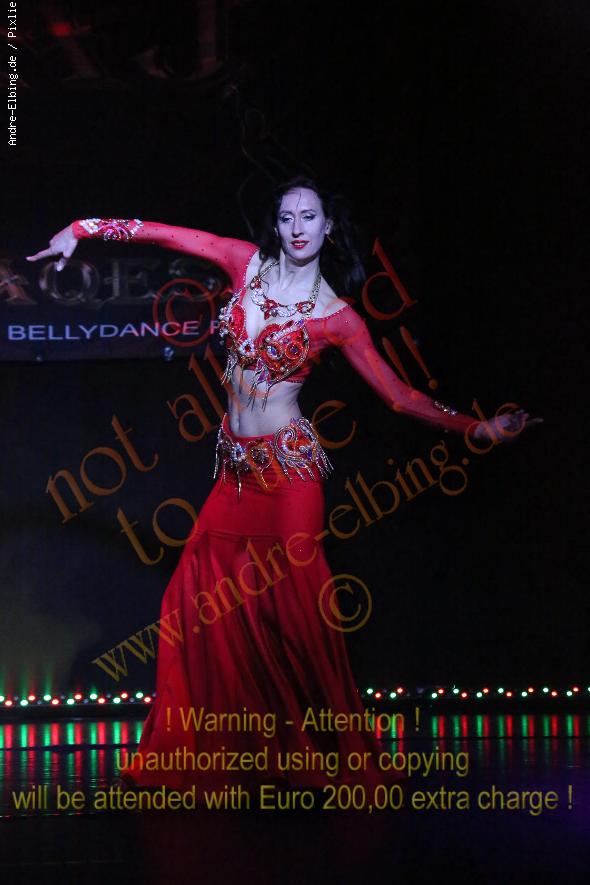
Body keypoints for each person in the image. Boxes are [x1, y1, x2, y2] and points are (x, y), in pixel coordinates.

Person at [27, 175, 542, 804]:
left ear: (328, 228)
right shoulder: (244, 263)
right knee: (192, 607)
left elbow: (399, 396)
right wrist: (83, 228)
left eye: (310, 216)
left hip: (290, 475)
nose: (298, 227)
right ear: (278, 225)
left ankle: (328, 753)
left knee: (298, 620)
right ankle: (226, 751)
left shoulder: (338, 318)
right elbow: (167, 235)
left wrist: (477, 428)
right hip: (234, 472)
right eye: (288, 216)